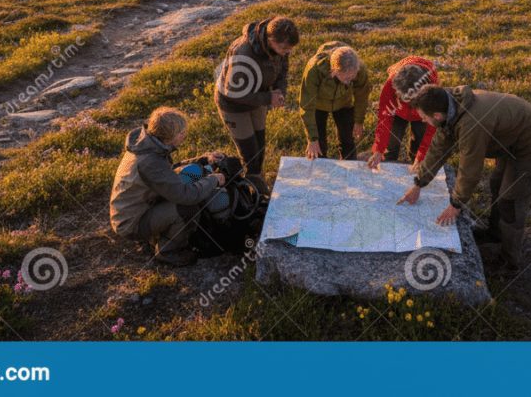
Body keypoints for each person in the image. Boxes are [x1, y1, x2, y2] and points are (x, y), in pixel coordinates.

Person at [397, 85, 531, 271]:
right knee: (496, 184)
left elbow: (470, 169)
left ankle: (509, 261)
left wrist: (456, 204)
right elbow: (438, 149)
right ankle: (495, 233)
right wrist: (418, 184)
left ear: (437, 115)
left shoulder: (471, 124)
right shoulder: (450, 109)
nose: (422, 120)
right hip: (509, 138)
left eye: (423, 116)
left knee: (510, 200)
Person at [110, 106, 227, 267]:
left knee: (189, 178)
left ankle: (164, 231)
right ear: (169, 137)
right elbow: (186, 195)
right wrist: (214, 180)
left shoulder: (147, 143)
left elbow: (168, 172)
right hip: (131, 222)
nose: (184, 135)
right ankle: (168, 252)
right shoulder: (150, 161)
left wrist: (202, 160)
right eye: (181, 133)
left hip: (138, 207)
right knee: (187, 209)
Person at [215, 16, 299, 197]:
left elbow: (282, 72)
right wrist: (268, 98)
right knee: (251, 155)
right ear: (270, 40)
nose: (286, 52)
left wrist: (278, 92)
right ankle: (254, 197)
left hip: (258, 98)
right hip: (233, 105)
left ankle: (257, 184)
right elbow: (233, 92)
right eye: (284, 48)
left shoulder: (281, 47)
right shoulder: (243, 53)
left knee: (260, 147)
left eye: (290, 49)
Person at [299, 42, 370, 161]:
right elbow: (306, 104)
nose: (349, 82)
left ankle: (350, 171)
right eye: (346, 78)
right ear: (334, 70)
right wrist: (312, 138)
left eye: (352, 77)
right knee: (318, 144)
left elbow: (361, 96)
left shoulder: (359, 69)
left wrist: (358, 121)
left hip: (344, 103)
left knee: (348, 139)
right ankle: (320, 172)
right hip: (318, 105)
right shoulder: (314, 69)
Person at [366, 57, 439, 170]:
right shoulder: (390, 86)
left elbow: (431, 128)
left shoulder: (433, 93)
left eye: (411, 100)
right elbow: (384, 121)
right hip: (397, 112)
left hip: (421, 115)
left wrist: (421, 158)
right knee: (391, 143)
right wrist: (378, 151)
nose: (408, 103)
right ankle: (390, 161)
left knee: (420, 138)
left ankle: (414, 161)